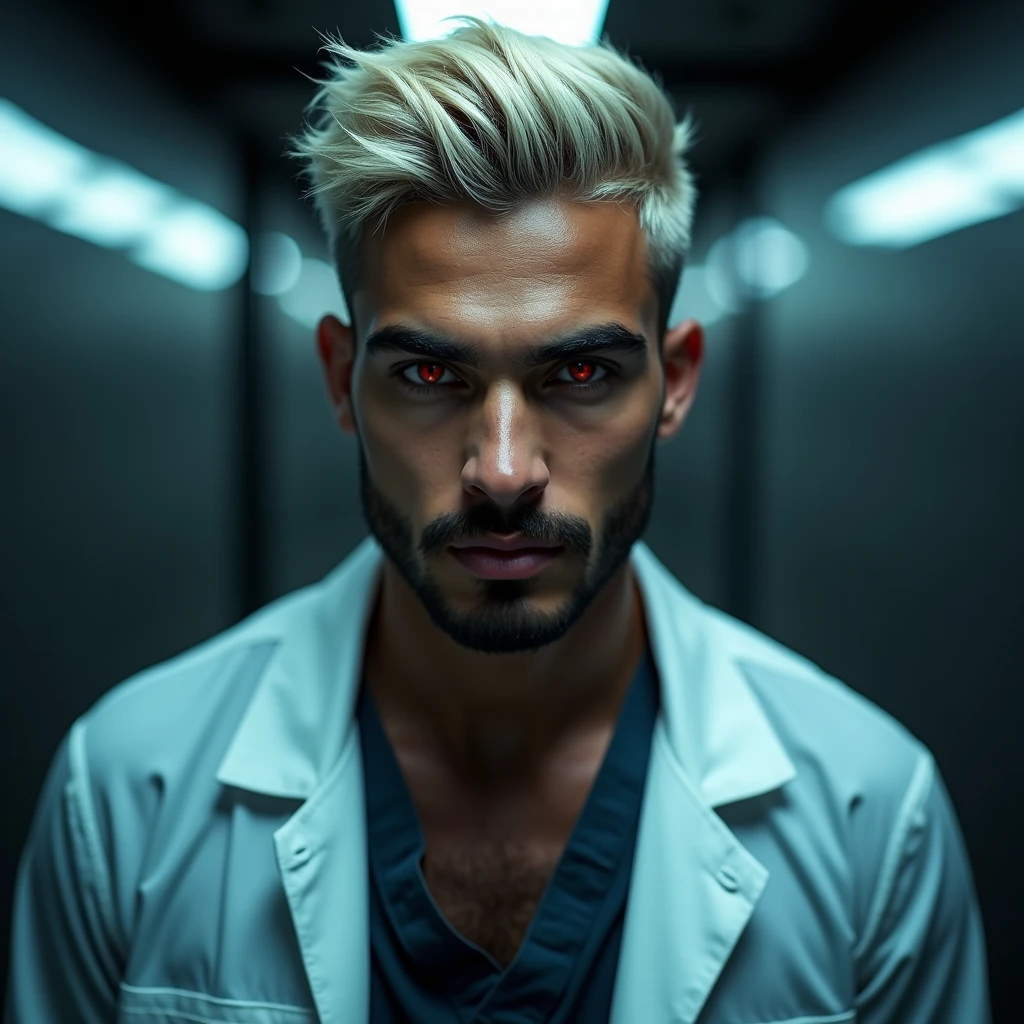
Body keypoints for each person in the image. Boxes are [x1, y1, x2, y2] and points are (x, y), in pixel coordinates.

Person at [4, 17, 990, 1024]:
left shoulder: (871, 814)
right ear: (343, 379)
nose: (504, 472)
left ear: (676, 381)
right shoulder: (126, 794)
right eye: (430, 373)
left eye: (580, 373)